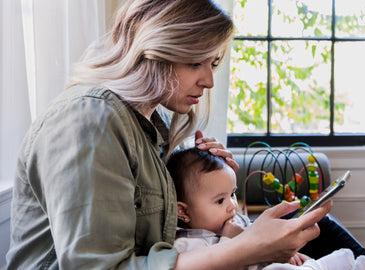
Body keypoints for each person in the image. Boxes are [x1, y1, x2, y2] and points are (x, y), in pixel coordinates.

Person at [6, 0, 333, 269]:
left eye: (213, 63)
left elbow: (162, 236)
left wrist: (209, 185)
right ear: (155, 52)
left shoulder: (145, 126)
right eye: (195, 63)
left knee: (324, 235)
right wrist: (246, 249)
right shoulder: (88, 120)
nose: (209, 81)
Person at [167, 147, 365, 270]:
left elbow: (260, 240)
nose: (232, 205)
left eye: (232, 194)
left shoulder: (233, 220)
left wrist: (284, 251)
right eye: (220, 201)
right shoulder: (186, 244)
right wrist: (229, 239)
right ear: (183, 212)